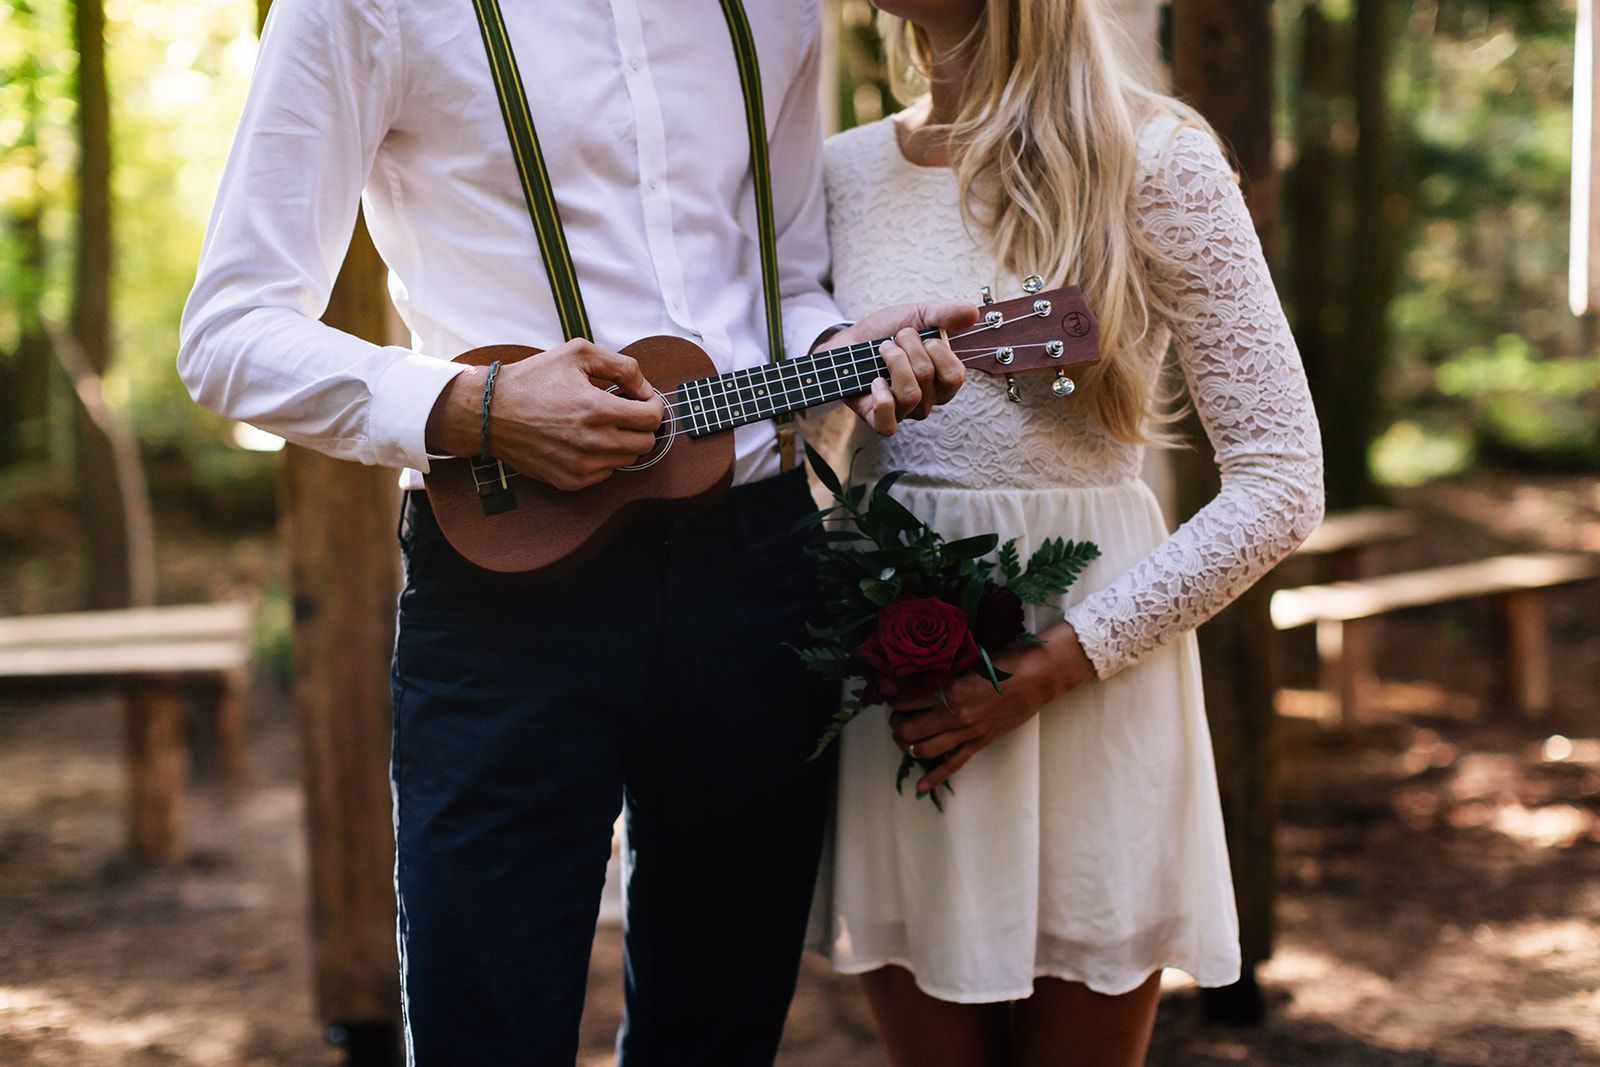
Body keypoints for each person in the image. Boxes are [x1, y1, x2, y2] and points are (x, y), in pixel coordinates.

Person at [177, 1, 974, 1063]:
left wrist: (839, 338)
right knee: (482, 1029)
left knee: (720, 1031)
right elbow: (229, 331)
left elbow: (780, 276)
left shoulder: (777, 10)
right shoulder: (366, 9)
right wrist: (474, 406)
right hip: (506, 591)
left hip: (759, 570)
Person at [812, 1, 1326, 1064]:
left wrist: (1053, 664)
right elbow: (801, 439)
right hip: (902, 672)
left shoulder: (1155, 158)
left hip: (1092, 659)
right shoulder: (839, 173)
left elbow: (1281, 480)